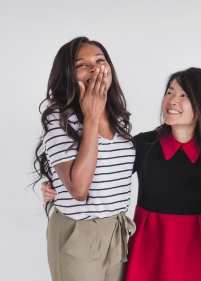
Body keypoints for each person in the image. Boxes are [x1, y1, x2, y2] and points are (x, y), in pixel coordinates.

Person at [42, 67, 201, 281]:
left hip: (197, 252)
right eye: (169, 92)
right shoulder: (143, 144)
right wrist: (55, 182)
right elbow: (103, 173)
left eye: (184, 95)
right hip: (148, 250)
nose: (172, 100)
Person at [33, 36, 136, 281]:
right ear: (69, 74)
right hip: (78, 232)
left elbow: (115, 172)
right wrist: (91, 117)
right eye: (82, 65)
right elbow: (79, 189)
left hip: (117, 230)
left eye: (100, 60)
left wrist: (52, 181)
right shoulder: (58, 118)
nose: (95, 68)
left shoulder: (119, 119)